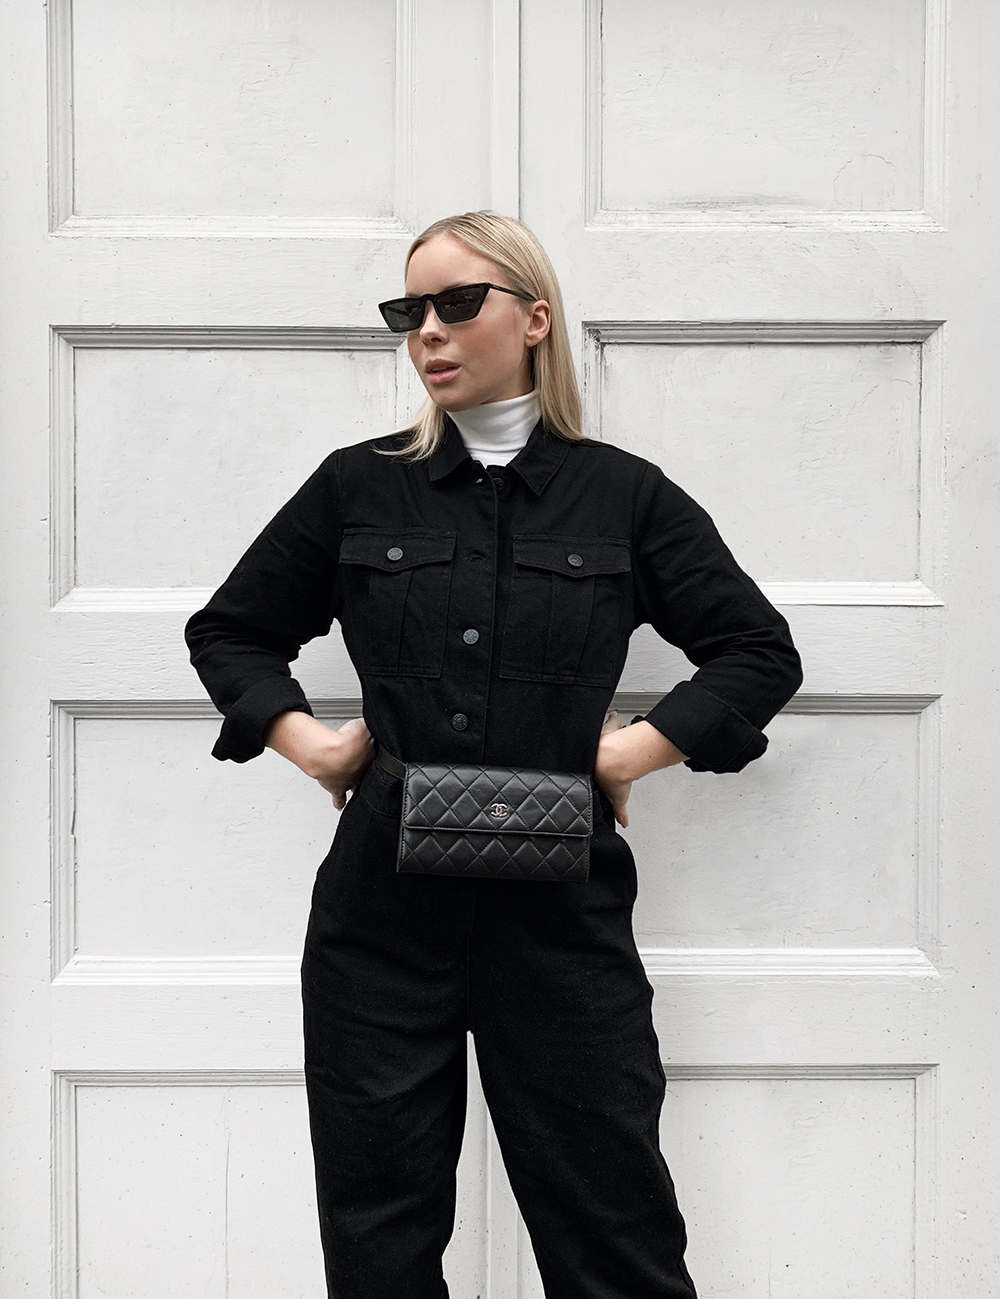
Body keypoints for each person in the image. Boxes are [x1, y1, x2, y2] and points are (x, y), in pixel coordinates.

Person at [184, 210, 802, 1299]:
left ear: (535, 318)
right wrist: (312, 744)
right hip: (381, 912)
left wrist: (632, 755)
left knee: (613, 1231)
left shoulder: (623, 495)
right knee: (377, 1236)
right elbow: (230, 630)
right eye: (408, 310)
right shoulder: (357, 486)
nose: (428, 330)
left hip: (561, 916)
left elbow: (756, 652)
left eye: (457, 303)